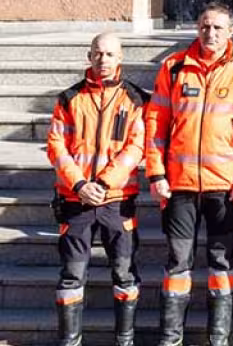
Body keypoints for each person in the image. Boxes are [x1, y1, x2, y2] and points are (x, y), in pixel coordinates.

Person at [145, 3, 233, 346]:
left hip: (225, 186)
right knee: (177, 265)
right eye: (204, 26)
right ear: (196, 29)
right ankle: (171, 339)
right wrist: (156, 174)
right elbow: (155, 125)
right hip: (179, 186)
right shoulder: (172, 68)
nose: (210, 34)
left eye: (218, 28)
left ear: (231, 31)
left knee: (221, 262)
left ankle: (219, 339)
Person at [47, 33, 147, 346]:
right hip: (75, 200)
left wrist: (103, 183)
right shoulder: (68, 98)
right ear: (89, 56)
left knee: (124, 274)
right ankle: (70, 341)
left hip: (116, 201)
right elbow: (55, 146)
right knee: (71, 276)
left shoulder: (134, 99)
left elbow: (136, 147)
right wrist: (79, 184)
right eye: (98, 54)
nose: (103, 60)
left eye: (109, 54)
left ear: (120, 58)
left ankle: (125, 340)